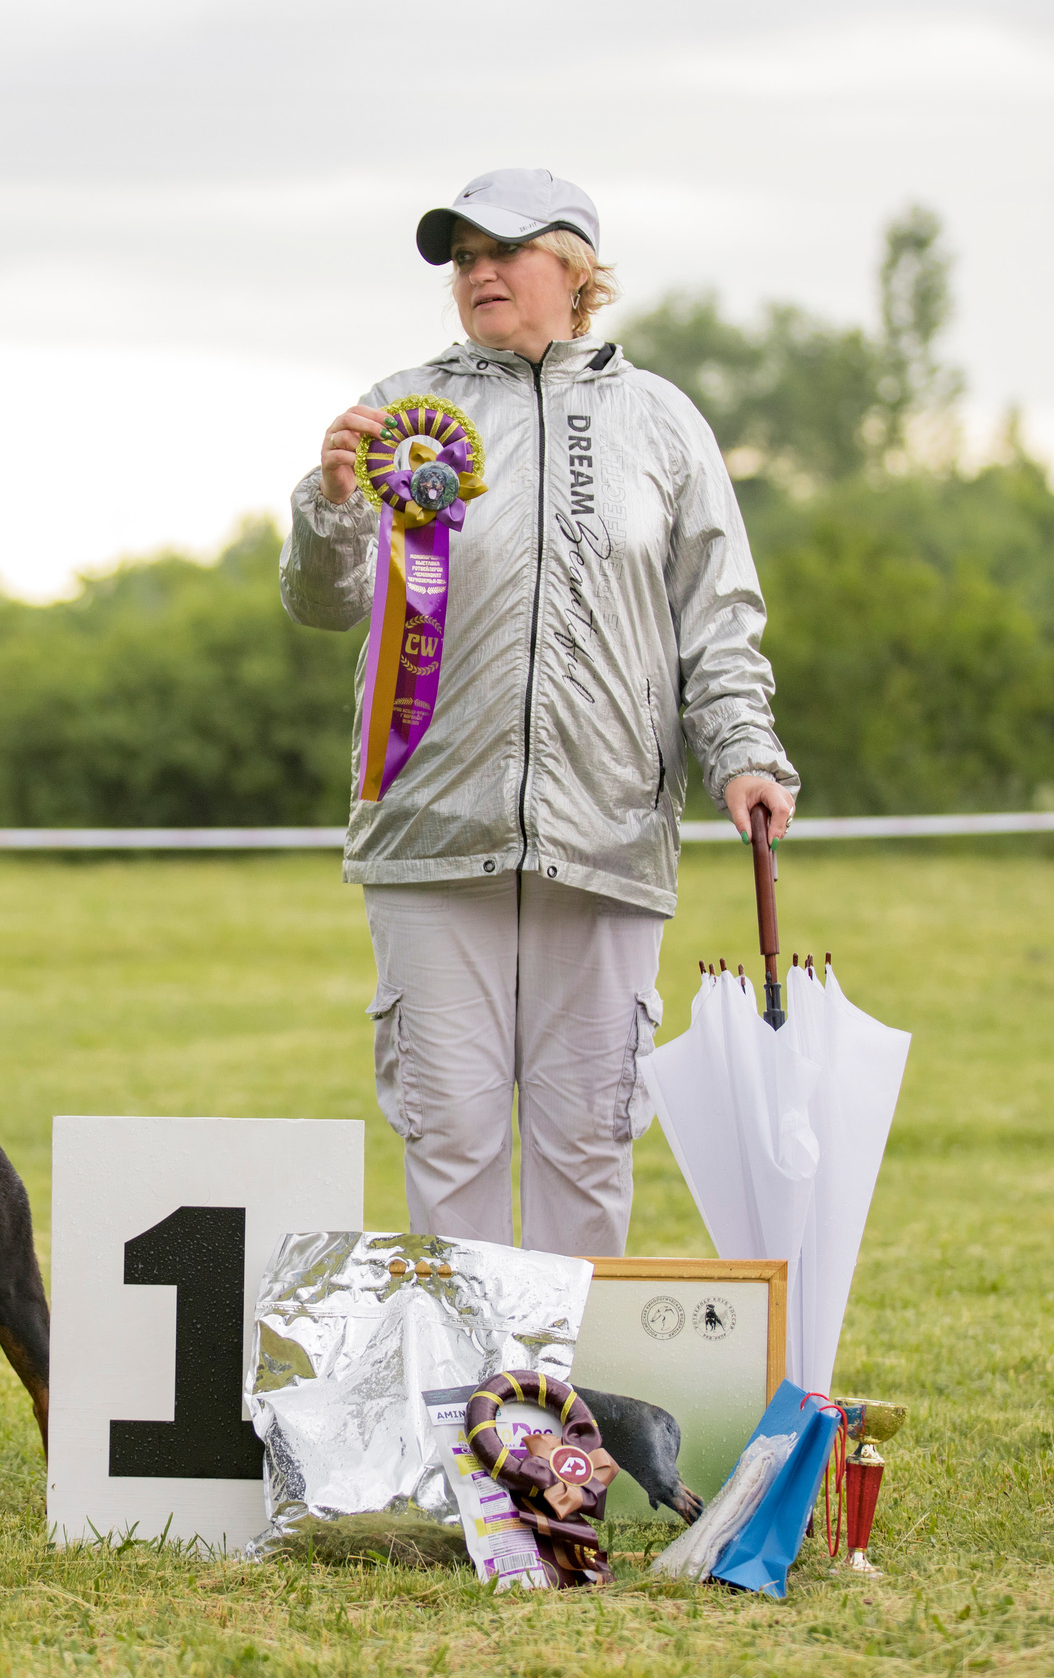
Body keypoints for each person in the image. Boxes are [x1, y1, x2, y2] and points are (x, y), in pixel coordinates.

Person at [282, 168, 800, 1257]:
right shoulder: (399, 411)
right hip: (429, 835)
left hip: (607, 839)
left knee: (586, 1145)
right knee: (449, 1139)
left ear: (574, 269)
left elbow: (718, 616)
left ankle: (571, 1417)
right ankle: (461, 1419)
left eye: (500, 252)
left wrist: (745, 753)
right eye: (461, 258)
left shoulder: (661, 421)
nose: (477, 273)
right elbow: (323, 606)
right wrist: (328, 508)